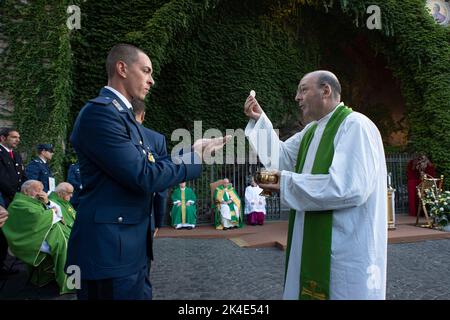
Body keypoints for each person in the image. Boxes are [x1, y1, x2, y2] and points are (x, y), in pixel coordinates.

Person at [66, 43, 229, 300]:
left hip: (130, 251)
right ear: (122, 68)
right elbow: (144, 175)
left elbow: (152, 165)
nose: (151, 80)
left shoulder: (124, 116)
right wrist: (194, 157)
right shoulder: (100, 114)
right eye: (146, 71)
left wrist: (193, 151)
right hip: (109, 254)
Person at [244, 70, 387, 300]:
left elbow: (348, 188)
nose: (297, 97)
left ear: (326, 90)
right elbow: (280, 158)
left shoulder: (356, 126)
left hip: (342, 249)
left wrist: (283, 181)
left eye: (303, 89)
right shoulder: (311, 131)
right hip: (310, 242)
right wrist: (260, 120)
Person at [2, 180, 74, 294]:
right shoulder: (18, 203)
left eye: (42, 189)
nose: (41, 193)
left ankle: (59, 277)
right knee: (68, 246)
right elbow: (37, 218)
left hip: (45, 233)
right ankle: (71, 283)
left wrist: (47, 203)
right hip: (32, 238)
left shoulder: (35, 199)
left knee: (73, 242)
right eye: (37, 190)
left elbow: (56, 211)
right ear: (26, 191)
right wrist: (52, 212)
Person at [0, 127, 25, 276]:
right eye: (14, 137)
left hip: (15, 200)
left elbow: (22, 177)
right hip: (4, 200)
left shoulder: (15, 155)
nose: (17, 140)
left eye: (18, 137)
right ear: (3, 138)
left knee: (8, 233)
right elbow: (2, 180)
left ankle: (5, 263)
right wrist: (16, 195)